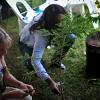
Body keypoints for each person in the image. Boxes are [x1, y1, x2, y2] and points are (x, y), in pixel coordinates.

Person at [19, 4, 76, 94]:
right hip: (26, 44)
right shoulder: (42, 34)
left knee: (70, 37)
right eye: (59, 21)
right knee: (32, 65)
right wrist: (50, 82)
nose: (62, 23)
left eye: (63, 20)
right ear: (52, 22)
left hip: (46, 34)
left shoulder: (48, 15)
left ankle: (56, 62)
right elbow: (35, 61)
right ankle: (40, 69)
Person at [0, 27, 35, 100]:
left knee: (27, 98)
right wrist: (9, 95)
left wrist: (21, 85)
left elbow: (6, 76)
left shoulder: (0, 56)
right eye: (1, 50)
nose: (5, 53)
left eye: (6, 48)